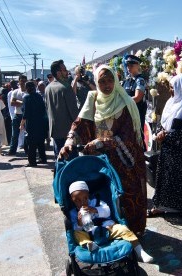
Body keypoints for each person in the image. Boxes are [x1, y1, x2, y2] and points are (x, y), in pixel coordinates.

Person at [59, 65, 147, 235]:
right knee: (102, 199)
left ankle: (133, 236)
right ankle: (108, 233)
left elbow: (128, 137)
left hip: (124, 161)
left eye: (109, 81)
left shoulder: (124, 103)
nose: (106, 85)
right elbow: (79, 123)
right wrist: (69, 140)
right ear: (96, 83)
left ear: (115, 81)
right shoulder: (92, 98)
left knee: (127, 197)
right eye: (102, 81)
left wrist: (102, 142)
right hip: (98, 162)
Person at [148, 73, 182, 218]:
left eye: (173, 87)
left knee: (180, 180)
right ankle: (163, 206)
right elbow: (162, 123)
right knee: (166, 179)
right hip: (168, 148)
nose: (171, 90)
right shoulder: (171, 103)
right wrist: (160, 133)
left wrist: (166, 136)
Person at [69, 181, 153, 263]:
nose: (82, 202)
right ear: (72, 200)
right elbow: (76, 228)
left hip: (107, 229)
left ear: (88, 195)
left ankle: (140, 251)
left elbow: (107, 211)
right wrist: (79, 223)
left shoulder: (97, 201)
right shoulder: (73, 212)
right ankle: (89, 244)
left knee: (123, 229)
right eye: (77, 200)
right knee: (77, 234)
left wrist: (94, 210)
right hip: (90, 234)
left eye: (85, 198)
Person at [45, 60, 79, 160]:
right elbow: (74, 113)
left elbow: (47, 108)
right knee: (71, 165)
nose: (67, 72)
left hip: (55, 131)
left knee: (59, 161)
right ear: (58, 72)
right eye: (64, 70)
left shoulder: (48, 88)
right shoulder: (66, 88)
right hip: (67, 133)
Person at [20, 81, 47, 167]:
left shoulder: (26, 98)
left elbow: (25, 113)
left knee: (31, 144)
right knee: (40, 142)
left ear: (27, 88)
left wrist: (21, 124)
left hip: (31, 124)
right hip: (41, 123)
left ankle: (32, 162)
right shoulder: (39, 96)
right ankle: (43, 158)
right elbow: (43, 109)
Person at [122, 55, 147, 139]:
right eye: (127, 65)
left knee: (137, 138)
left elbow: (137, 98)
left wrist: (121, 103)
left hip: (136, 115)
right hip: (126, 115)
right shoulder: (126, 81)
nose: (129, 67)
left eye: (131, 65)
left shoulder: (140, 80)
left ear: (137, 66)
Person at [7, 75, 27, 156]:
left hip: (26, 116)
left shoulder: (29, 92)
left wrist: (17, 101)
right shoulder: (15, 92)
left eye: (24, 81)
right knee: (15, 134)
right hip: (17, 115)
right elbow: (12, 103)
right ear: (19, 81)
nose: (23, 82)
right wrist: (22, 102)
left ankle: (27, 150)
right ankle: (12, 150)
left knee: (27, 134)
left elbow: (29, 104)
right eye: (21, 81)